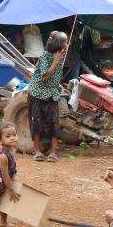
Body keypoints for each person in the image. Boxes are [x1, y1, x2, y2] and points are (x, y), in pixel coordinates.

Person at [26, 31, 68, 162]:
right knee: (36, 122)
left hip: (52, 94)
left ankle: (54, 151)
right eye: (65, 42)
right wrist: (55, 62)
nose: (67, 45)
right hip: (38, 93)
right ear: (58, 45)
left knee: (54, 123)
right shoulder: (46, 56)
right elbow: (44, 76)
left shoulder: (60, 56)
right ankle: (37, 150)